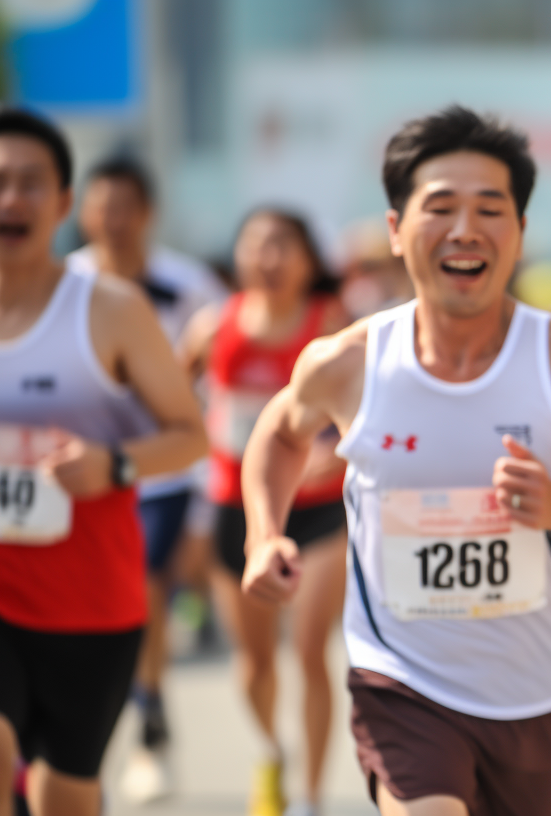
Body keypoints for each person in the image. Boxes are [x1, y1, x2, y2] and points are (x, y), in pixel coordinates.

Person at [237, 105, 551, 816]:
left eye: (490, 209)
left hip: (537, 696)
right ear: (395, 231)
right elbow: (280, 432)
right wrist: (264, 533)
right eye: (439, 207)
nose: (464, 230)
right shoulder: (348, 363)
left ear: (520, 232)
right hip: (398, 677)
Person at [0, 104, 207, 815]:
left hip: (90, 599)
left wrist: (113, 465)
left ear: (62, 202)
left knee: (65, 796)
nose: (12, 199)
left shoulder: (111, 311)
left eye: (32, 183)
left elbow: (189, 433)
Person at [180, 207, 349, 816]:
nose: (269, 258)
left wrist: (340, 452)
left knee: (309, 652)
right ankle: (270, 751)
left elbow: (368, 411)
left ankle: (310, 798)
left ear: (310, 261)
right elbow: (173, 405)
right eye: (257, 245)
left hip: (320, 511)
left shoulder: (332, 326)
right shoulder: (212, 327)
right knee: (253, 660)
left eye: (284, 246)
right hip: (241, 509)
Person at [70, 154, 229, 802]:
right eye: (101, 205)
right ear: (81, 212)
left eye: (126, 206)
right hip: (77, 477)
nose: (113, 220)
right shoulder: (63, 283)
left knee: (145, 587)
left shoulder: (189, 287)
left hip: (165, 476)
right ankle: (83, 745)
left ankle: (150, 720)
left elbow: (220, 391)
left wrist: (205, 510)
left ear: (148, 212)